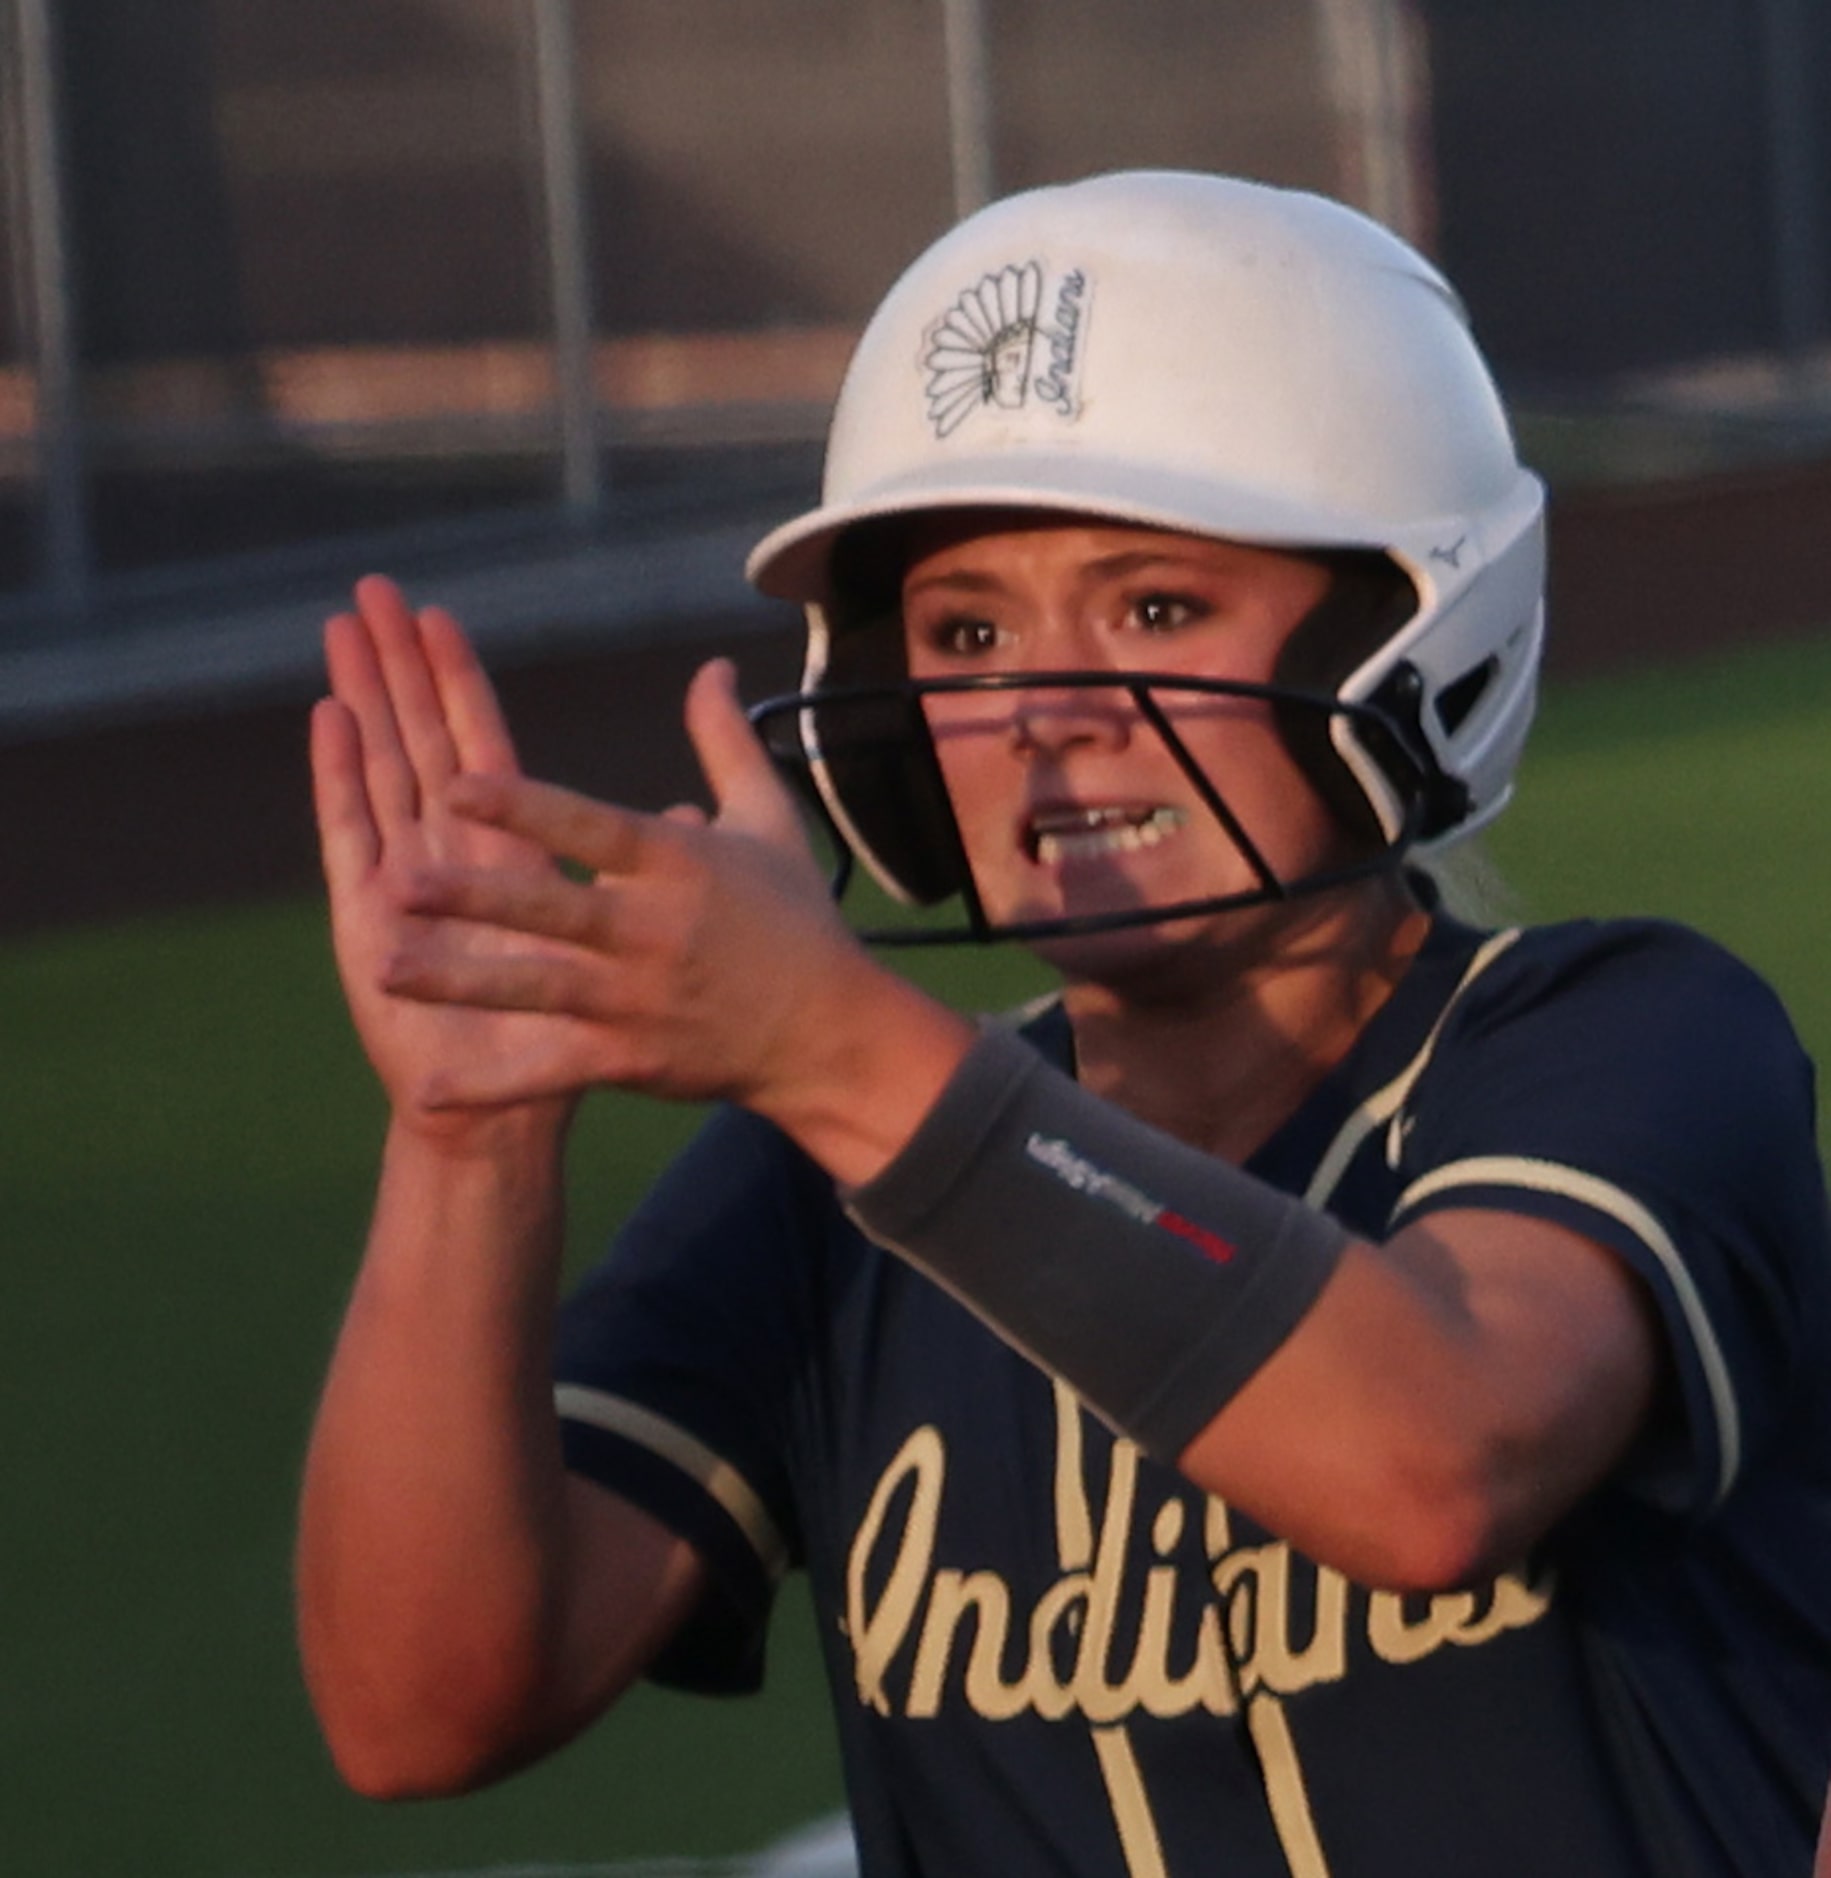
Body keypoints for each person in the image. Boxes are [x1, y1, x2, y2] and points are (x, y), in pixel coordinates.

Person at [296, 171, 1831, 1876]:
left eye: (1158, 608)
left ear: (1405, 637)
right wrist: (469, 1136)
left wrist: (829, 1043)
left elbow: (1439, 1466)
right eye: (963, 633)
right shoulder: (819, 1197)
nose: (1045, 711)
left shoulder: (1621, 1037)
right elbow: (421, 1703)